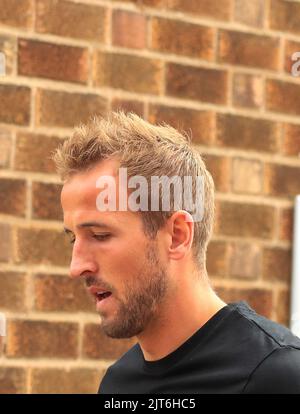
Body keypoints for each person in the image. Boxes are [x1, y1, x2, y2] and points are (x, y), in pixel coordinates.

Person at [54, 111, 300, 394]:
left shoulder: (278, 376)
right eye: (73, 238)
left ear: (177, 235)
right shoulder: (117, 384)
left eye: (100, 235)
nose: (76, 267)